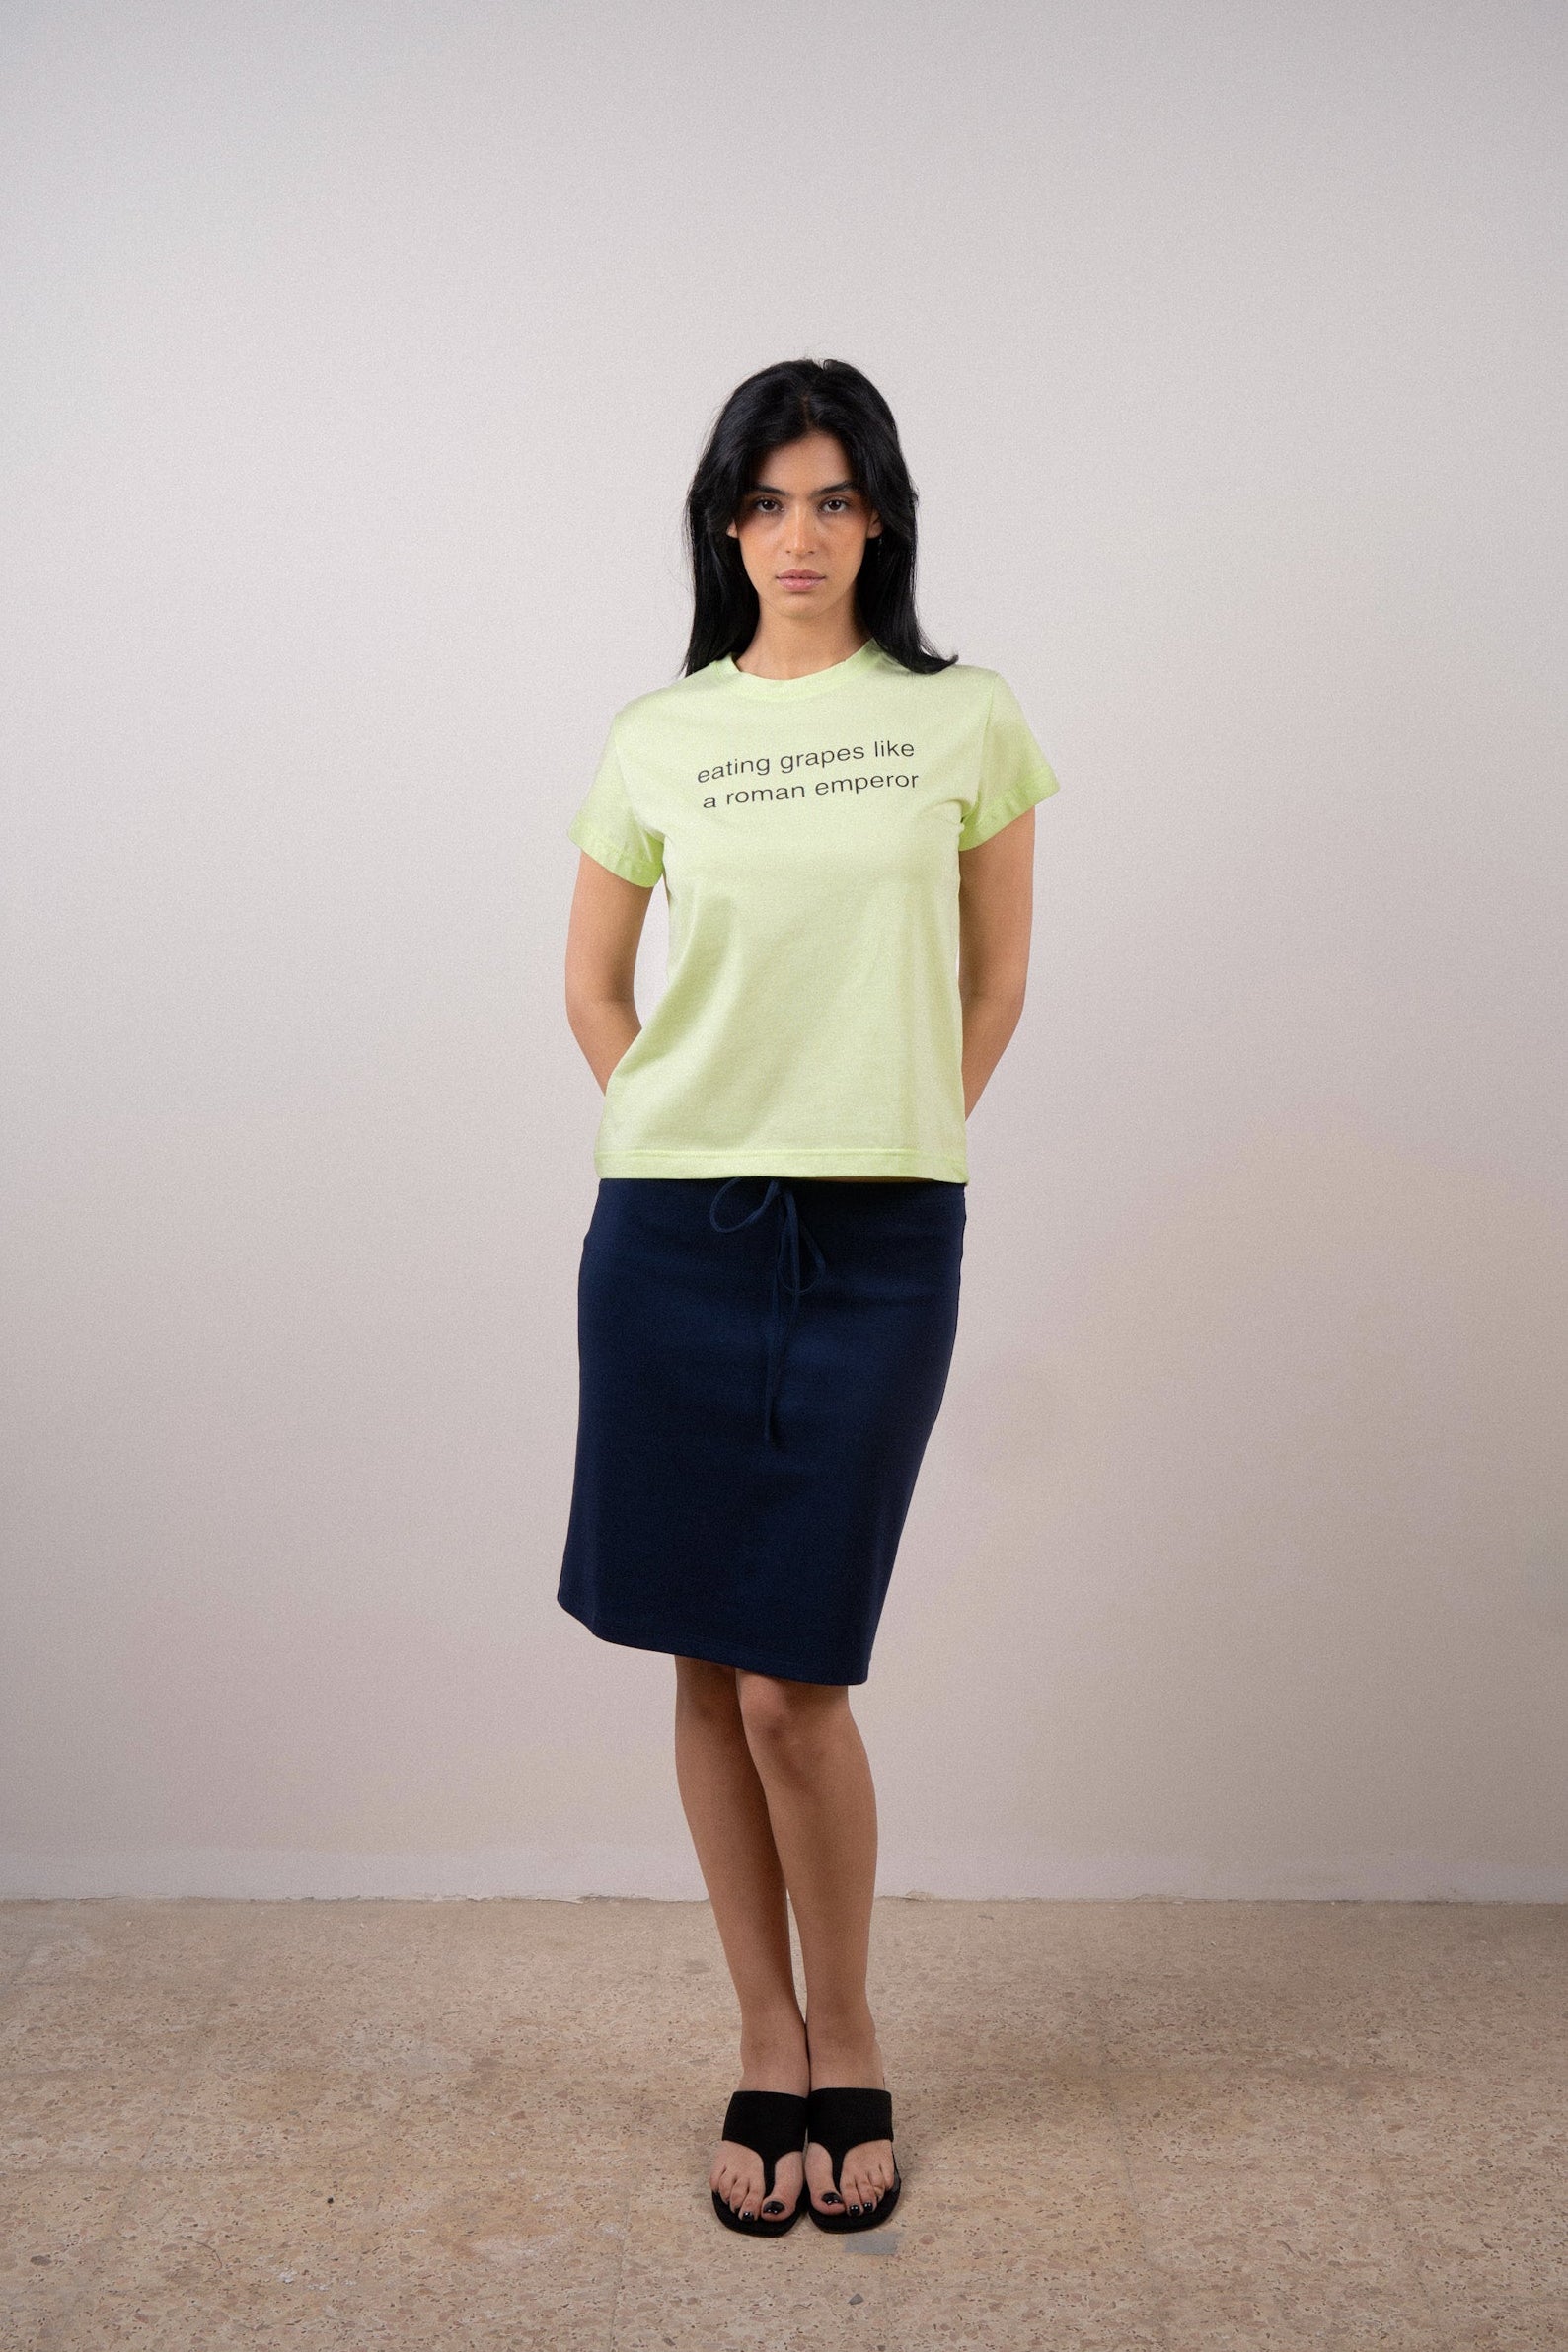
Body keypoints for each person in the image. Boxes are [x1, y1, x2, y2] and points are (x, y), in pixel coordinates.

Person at [559, 357, 1059, 2237]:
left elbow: (993, 980)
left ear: (881, 521)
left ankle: (846, 2030)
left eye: (832, 500)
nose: (797, 536)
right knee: (707, 1657)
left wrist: (894, 1125)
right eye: (764, 503)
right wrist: (680, 1123)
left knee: (795, 1680)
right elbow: (593, 983)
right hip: (672, 1235)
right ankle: (766, 2043)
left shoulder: (964, 718)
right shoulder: (655, 735)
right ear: (723, 525)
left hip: (878, 1234)